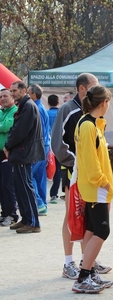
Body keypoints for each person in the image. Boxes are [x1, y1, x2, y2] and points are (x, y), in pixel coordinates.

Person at [51, 73, 111, 280]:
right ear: (83, 89)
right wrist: (78, 165)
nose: (98, 90)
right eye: (94, 86)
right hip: (73, 173)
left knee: (90, 221)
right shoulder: (68, 109)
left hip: (89, 176)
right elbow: (57, 145)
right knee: (71, 216)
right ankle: (69, 262)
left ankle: (89, 261)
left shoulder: (94, 115)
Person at [72, 85, 113, 293]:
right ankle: (82, 277)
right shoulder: (88, 125)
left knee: (91, 228)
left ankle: (88, 272)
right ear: (104, 102)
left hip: (94, 186)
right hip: (95, 186)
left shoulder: (91, 123)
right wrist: (103, 181)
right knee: (102, 230)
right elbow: (90, 161)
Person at [6, 81, 44, 233]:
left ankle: (33, 223)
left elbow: (19, 131)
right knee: (21, 188)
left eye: (14, 90)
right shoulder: (25, 105)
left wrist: (8, 145)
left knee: (26, 189)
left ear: (23, 91)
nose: (12, 93)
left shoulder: (28, 106)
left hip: (24, 153)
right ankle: (26, 219)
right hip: (21, 153)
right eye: (11, 91)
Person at [28, 84, 50, 216]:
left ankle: (40, 203)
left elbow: (38, 130)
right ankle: (42, 204)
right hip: (44, 145)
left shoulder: (36, 108)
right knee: (39, 176)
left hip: (38, 146)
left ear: (33, 95)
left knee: (28, 175)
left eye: (28, 93)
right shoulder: (41, 107)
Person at [0, 89, 18, 226]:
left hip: (9, 154)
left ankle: (12, 215)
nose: (2, 98)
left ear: (12, 97)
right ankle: (4, 213)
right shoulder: (2, 112)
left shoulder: (14, 111)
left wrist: (2, 126)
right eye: (0, 97)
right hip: (1, 154)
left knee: (8, 186)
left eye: (5, 96)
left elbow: (6, 126)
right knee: (1, 186)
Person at [47, 94, 61, 204]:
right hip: (59, 146)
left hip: (48, 147)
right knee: (58, 170)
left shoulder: (46, 114)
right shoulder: (61, 114)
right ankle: (54, 194)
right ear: (58, 102)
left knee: (46, 170)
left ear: (48, 103)